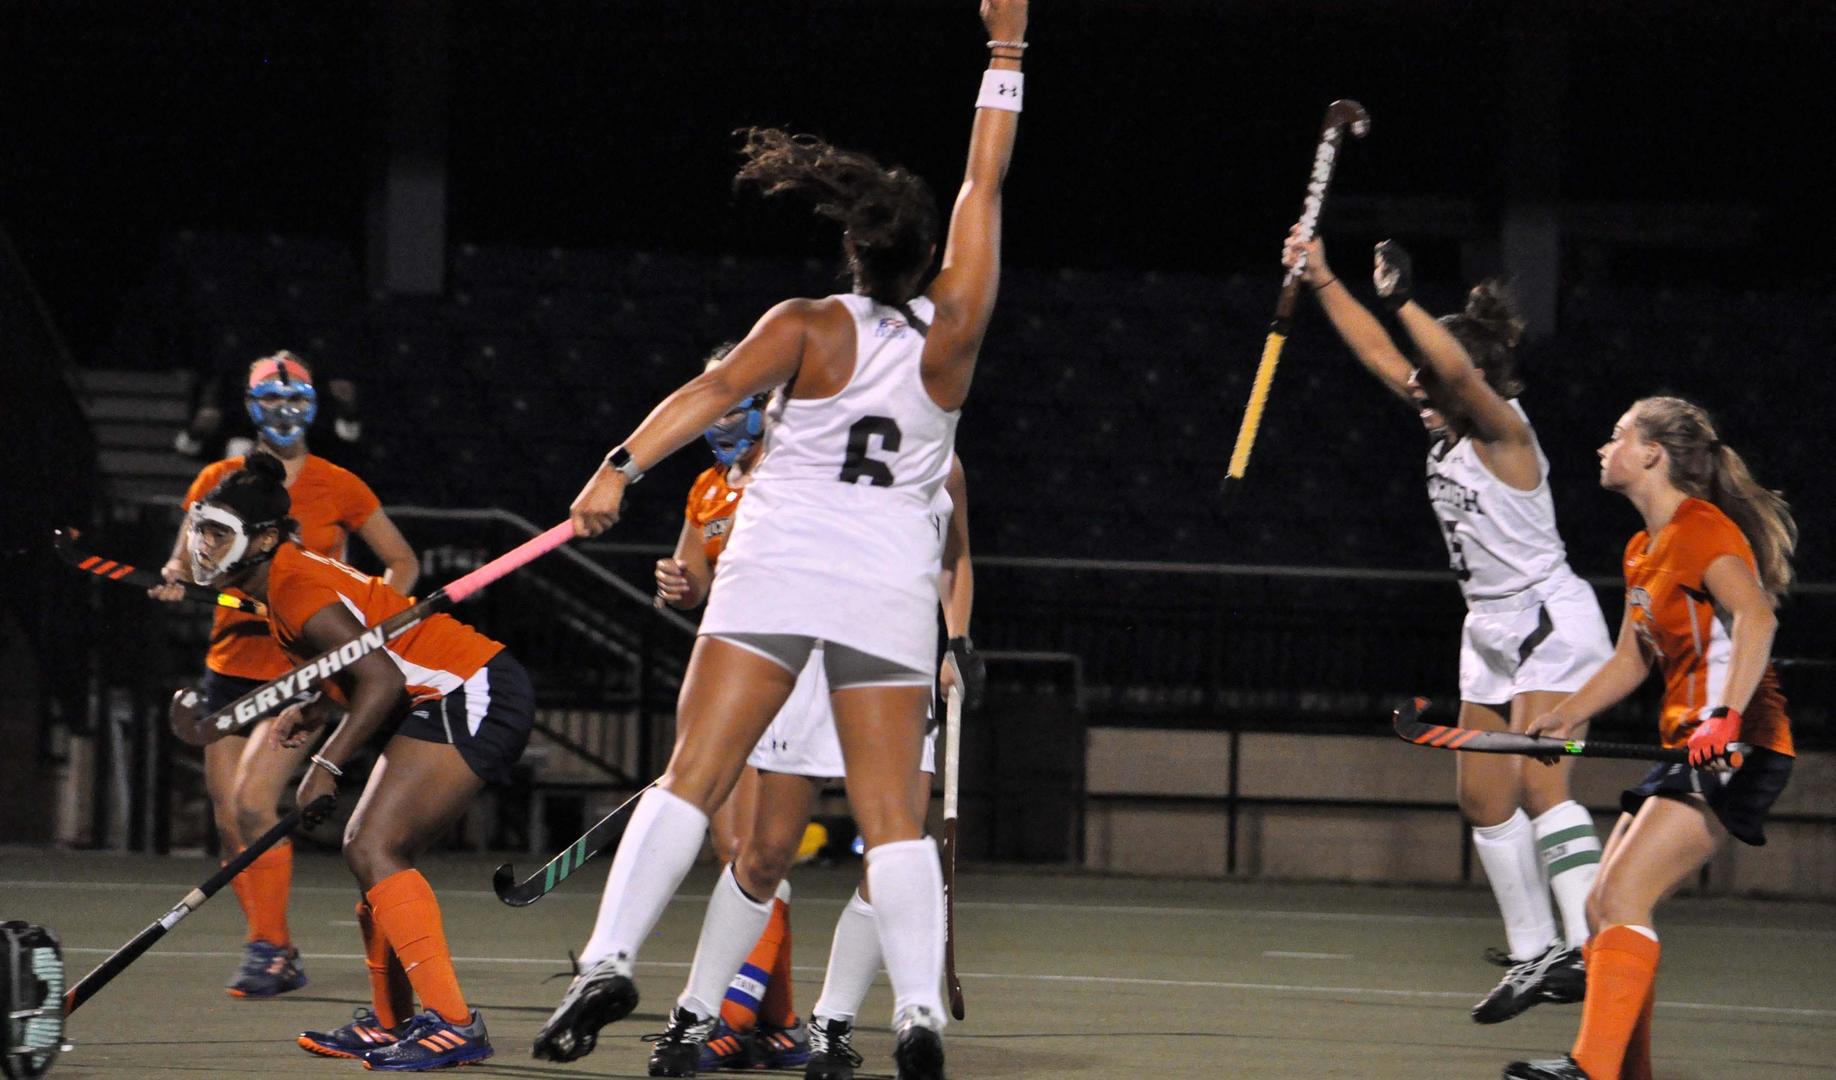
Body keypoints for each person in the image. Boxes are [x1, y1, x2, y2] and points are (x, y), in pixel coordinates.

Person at [535, 5, 1025, 1077]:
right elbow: (983, 186)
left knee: (688, 780)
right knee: (895, 826)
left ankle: (609, 961)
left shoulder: (804, 323)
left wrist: (616, 471)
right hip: (886, 590)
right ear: (926, 255)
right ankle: (916, 1020)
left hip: (777, 572)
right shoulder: (954, 337)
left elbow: (710, 391)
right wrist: (1006, 53)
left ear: (850, 245)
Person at [1284, 234, 1614, 1020]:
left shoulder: (1506, 434)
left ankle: (1587, 946)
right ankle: (1534, 950)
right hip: (1489, 629)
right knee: (1482, 797)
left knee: (1540, 784)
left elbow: (1455, 372)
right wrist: (1325, 276)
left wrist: (1404, 300)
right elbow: (1374, 353)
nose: (1419, 392)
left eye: (1430, 382)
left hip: (1547, 619)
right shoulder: (1448, 422)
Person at [642, 386, 976, 1077]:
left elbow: (953, 560)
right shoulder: (807, 451)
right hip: (808, 666)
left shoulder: (944, 460)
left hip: (896, 666)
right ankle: (694, 1013)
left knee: (896, 852)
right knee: (764, 854)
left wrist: (958, 640)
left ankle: (832, 1025)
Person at [180, 451, 537, 1071]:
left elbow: (381, 682)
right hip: (443, 689)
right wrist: (320, 704)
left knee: (372, 846)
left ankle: (454, 1025)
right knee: (369, 851)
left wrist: (328, 763)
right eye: (200, 529)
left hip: (471, 687)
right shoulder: (277, 582)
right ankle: (393, 1023)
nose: (203, 546)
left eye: (218, 533)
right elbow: (362, 661)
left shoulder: (293, 587)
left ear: (262, 540)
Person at [1503, 398, 1796, 1080]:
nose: (1604, 448)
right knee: (1604, 908)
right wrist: (1566, 714)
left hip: (1740, 743)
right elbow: (1631, 659)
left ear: (1653, 454)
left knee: (1625, 897)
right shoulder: (1642, 549)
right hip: (1686, 745)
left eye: (1617, 436)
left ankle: (1592, 1069)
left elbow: (1757, 618)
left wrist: (1725, 717)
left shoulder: (1704, 530)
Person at [152, 351, 418, 999]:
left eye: (295, 399)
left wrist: (370, 622)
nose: (284, 412)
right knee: (229, 818)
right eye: (270, 400)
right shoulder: (219, 478)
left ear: (314, 407)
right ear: (251, 406)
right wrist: (174, 577)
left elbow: (402, 563)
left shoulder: (338, 484)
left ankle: (267, 950)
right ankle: (275, 946)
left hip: (300, 671)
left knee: (252, 802)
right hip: (228, 665)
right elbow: (186, 557)